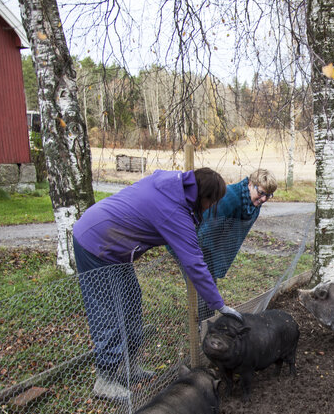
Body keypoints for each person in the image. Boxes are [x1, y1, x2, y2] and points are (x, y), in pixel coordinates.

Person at [72, 167, 243, 400]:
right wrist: (220, 305)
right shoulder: (172, 210)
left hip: (115, 246)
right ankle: (106, 378)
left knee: (131, 300)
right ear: (203, 196)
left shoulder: (175, 185)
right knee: (109, 311)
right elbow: (194, 263)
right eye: (211, 201)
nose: (211, 207)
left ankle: (129, 366)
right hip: (96, 242)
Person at [195, 168, 278, 320]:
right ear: (250, 184)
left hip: (211, 244)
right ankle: (203, 324)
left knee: (208, 285)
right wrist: (199, 260)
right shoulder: (230, 198)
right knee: (203, 285)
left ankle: (206, 318)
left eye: (268, 195)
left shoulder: (253, 205)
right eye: (261, 193)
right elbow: (205, 229)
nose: (264, 199)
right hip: (198, 243)